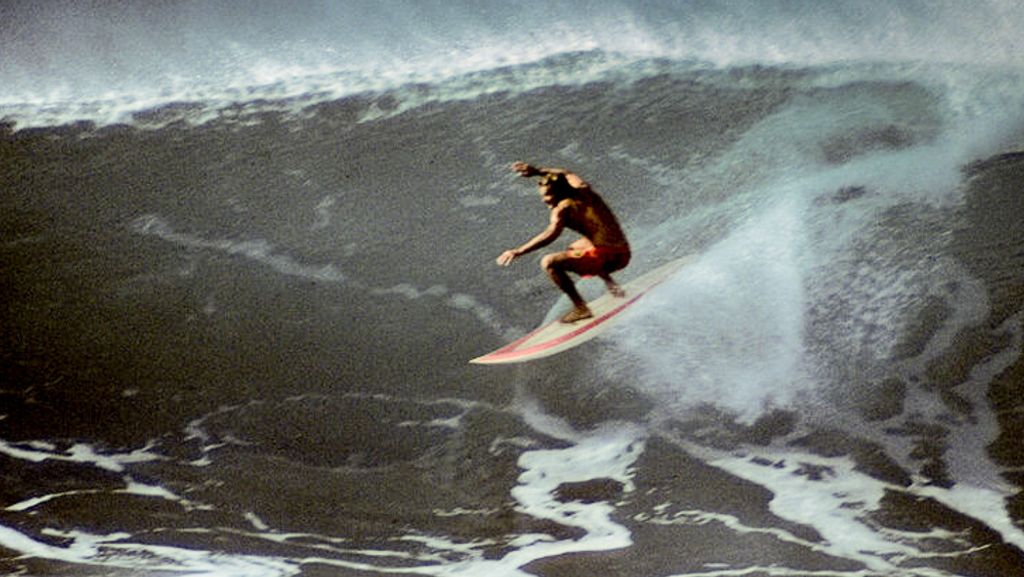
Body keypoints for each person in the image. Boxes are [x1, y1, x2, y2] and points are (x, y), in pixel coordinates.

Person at [497, 161, 631, 323]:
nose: (545, 200)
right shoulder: (584, 190)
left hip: (608, 259)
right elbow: (566, 173)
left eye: (548, 195)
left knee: (549, 262)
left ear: (561, 193)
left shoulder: (562, 209)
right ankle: (611, 284)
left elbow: (551, 234)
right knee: (575, 247)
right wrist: (538, 170)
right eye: (543, 195)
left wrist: (519, 251)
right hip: (622, 251)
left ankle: (581, 308)